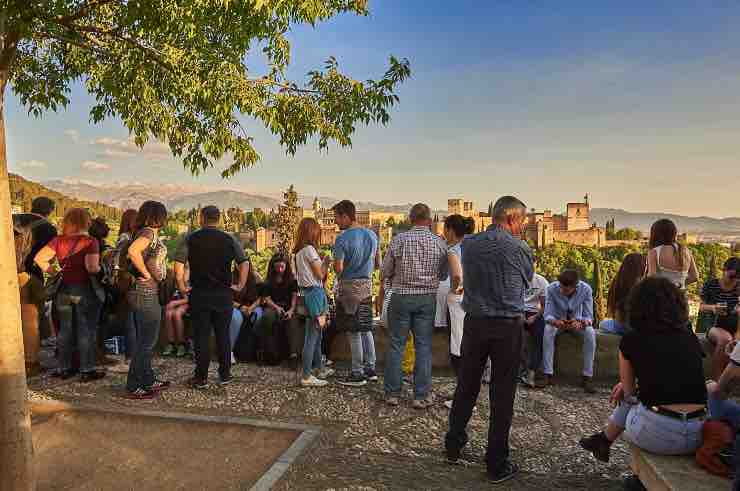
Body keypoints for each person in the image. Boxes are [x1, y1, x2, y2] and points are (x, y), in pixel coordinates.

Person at [445, 196, 533, 484]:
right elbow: (526, 282)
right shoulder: (520, 248)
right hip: (508, 326)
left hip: (475, 322)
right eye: (522, 220)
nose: (523, 226)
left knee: (467, 385)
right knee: (502, 393)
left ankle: (453, 444)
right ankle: (496, 462)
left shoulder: (469, 244)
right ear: (511, 218)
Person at [580, 277, 707, 462]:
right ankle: (602, 441)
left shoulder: (632, 340)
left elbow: (630, 393)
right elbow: (681, 375)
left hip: (657, 435)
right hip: (698, 433)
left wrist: (626, 385)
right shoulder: (690, 338)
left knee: (630, 400)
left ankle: (604, 440)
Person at [380, 203, 448, 409]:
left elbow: (385, 270)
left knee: (396, 345)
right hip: (426, 299)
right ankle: (420, 395)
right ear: (428, 221)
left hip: (401, 297)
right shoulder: (439, 243)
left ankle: (392, 393)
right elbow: (444, 274)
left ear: (411, 219)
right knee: (424, 347)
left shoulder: (398, 240)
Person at [174, 206, 249, 389]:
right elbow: (244, 262)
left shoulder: (190, 238)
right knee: (223, 335)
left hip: (200, 294)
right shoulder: (229, 239)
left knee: (201, 337)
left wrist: (183, 287)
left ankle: (201, 378)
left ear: (201, 218)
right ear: (219, 219)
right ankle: (225, 374)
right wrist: (239, 285)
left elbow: (178, 267)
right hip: (223, 295)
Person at [34, 208, 104, 382]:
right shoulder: (90, 241)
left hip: (63, 288)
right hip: (84, 290)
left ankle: (64, 368)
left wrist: (53, 272)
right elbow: (91, 268)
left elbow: (39, 258)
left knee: (65, 330)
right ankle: (86, 369)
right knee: (84, 329)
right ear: (86, 222)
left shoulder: (58, 241)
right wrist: (103, 268)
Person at [332, 200, 381, 387]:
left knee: (353, 330)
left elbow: (338, 268)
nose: (336, 222)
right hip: (367, 286)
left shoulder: (342, 239)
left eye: (337, 218)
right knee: (366, 327)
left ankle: (357, 373)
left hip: (349, 288)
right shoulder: (372, 236)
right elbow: (377, 264)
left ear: (345, 216)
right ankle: (371, 369)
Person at [124, 201, 169, 399]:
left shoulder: (142, 231)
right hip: (146, 292)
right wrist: (147, 274)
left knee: (146, 340)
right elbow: (133, 251)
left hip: (140, 291)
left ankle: (148, 379)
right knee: (146, 342)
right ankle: (134, 384)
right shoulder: (148, 233)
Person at [14, 196, 57, 376]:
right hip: (28, 276)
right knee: (30, 318)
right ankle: (30, 362)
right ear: (50, 211)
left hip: (6, 272)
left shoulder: (13, 219)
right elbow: (48, 258)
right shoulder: (48, 228)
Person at [542, 269, 596, 393]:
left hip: (577, 322)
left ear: (575, 287)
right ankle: (547, 374)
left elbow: (589, 317)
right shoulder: (551, 288)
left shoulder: (586, 289)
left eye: (565, 289)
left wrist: (581, 322)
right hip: (557, 322)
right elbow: (547, 314)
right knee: (548, 330)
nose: (561, 291)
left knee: (590, 333)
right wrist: (555, 322)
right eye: (560, 287)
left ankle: (587, 377)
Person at [294, 217, 332, 387]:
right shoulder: (309, 250)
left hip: (308, 294)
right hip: (316, 295)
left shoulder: (298, 253)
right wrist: (326, 262)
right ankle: (307, 375)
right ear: (312, 232)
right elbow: (320, 275)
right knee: (313, 336)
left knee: (316, 334)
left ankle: (319, 368)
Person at [443, 214, 475, 403]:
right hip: (475, 300)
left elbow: (456, 275)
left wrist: (456, 289)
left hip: (459, 302)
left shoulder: (454, 250)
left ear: (450, 230)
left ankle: (463, 398)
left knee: (458, 348)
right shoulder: (475, 247)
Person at [255, 253, 299, 367]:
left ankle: (293, 355)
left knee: (292, 322)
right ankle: (266, 351)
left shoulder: (292, 280)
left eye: (282, 267)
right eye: (277, 267)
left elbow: (294, 297)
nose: (279, 270)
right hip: (273, 306)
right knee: (267, 318)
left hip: (288, 307)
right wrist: (276, 308)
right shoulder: (269, 281)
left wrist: (291, 310)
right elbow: (267, 299)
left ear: (286, 266)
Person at [700, 257, 740, 379]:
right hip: (714, 324)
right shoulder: (710, 285)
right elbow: (701, 307)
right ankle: (716, 381)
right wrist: (713, 308)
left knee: (734, 342)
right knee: (725, 339)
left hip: (735, 325)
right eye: (732, 277)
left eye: (738, 278)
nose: (734, 281)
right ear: (723, 270)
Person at [600, 253, 646, 336]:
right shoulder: (643, 284)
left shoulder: (617, 282)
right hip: (637, 328)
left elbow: (611, 311)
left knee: (603, 324)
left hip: (621, 326)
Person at [646, 218, 698, 290]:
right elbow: (695, 276)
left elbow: (651, 278)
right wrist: (680, 284)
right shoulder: (686, 250)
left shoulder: (654, 252)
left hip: (662, 296)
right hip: (681, 296)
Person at [521, 258, 549, 389]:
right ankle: (518, 370)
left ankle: (531, 372)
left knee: (540, 336)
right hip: (518, 312)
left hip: (535, 313)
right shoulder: (516, 279)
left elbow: (544, 305)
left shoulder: (542, 281)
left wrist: (535, 317)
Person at [116, 209, 138, 363]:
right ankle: (131, 356)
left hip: (129, 281)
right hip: (129, 282)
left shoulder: (126, 237)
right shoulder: (126, 238)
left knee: (132, 319)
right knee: (130, 320)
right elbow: (124, 259)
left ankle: (132, 355)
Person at [230, 260, 262, 364]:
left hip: (253, 306)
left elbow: (262, 297)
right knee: (236, 318)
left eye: (245, 264)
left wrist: (251, 308)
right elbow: (226, 298)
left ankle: (255, 350)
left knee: (258, 317)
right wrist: (240, 307)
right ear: (235, 265)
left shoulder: (255, 277)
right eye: (238, 264)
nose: (242, 266)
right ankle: (229, 351)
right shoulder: (230, 277)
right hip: (235, 306)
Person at [162, 263, 190, 358]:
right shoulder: (174, 278)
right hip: (177, 301)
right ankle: (171, 343)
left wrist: (174, 303)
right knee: (168, 313)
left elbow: (188, 298)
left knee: (177, 314)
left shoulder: (189, 277)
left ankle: (182, 343)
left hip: (189, 302)